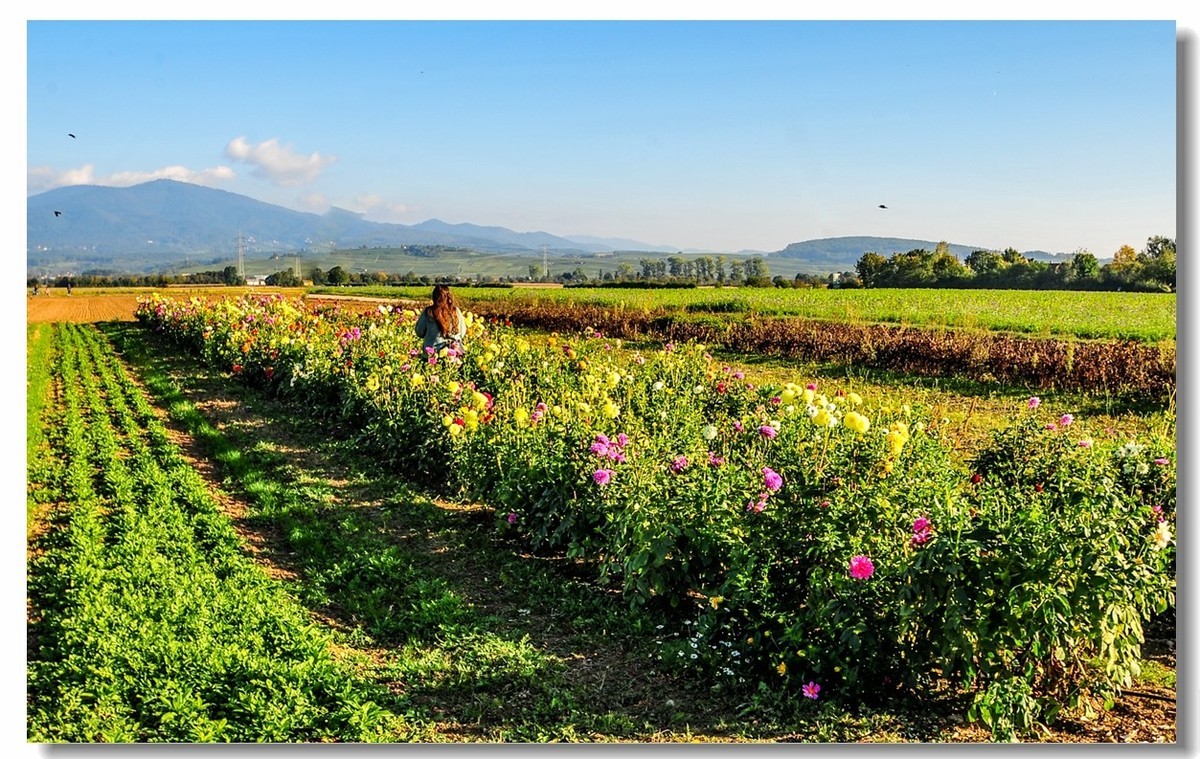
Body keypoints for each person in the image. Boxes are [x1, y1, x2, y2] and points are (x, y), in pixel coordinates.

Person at [415, 284, 466, 352]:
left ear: (434, 297)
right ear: (449, 297)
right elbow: (462, 333)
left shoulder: (428, 312)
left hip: (432, 355)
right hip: (454, 354)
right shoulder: (456, 311)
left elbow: (419, 332)